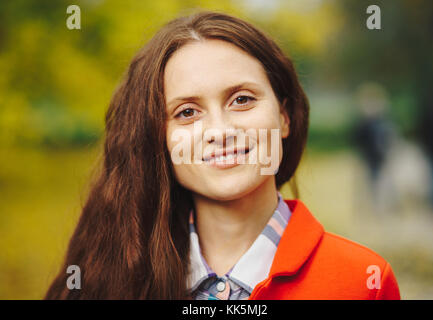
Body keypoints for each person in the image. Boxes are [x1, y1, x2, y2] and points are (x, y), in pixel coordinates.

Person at [45, 11, 400, 300]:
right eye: (187, 112)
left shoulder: (362, 280)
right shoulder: (106, 281)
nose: (220, 131)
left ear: (284, 116)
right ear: (159, 139)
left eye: (242, 100)